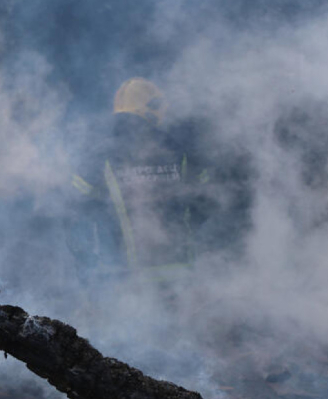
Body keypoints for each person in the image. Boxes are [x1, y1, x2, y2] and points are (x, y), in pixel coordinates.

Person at [66, 78, 218, 288]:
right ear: (151, 106)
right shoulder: (178, 148)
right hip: (178, 277)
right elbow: (208, 199)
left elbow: (74, 208)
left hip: (118, 278)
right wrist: (186, 229)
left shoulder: (98, 151)